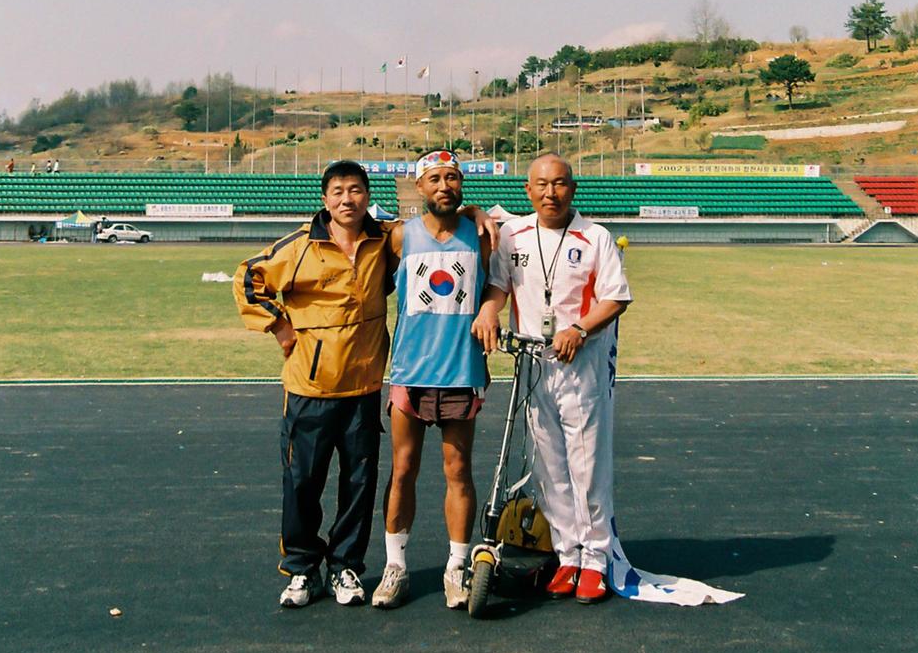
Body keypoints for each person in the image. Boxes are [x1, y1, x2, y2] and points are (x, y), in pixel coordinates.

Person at [475, 155, 742, 609]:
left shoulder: (596, 237)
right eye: (541, 184)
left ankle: (596, 560)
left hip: (581, 367)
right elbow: (498, 285)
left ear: (572, 189)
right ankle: (567, 555)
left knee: (587, 466)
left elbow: (615, 298)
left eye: (559, 184)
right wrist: (488, 310)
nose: (550, 193)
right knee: (549, 468)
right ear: (527, 189)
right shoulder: (514, 236)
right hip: (534, 365)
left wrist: (578, 329)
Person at [234, 159, 499, 611]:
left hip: (365, 386)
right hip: (312, 385)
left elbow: (458, 231)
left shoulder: (384, 238)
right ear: (325, 198)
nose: (346, 199)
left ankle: (347, 567)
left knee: (360, 484)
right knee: (305, 484)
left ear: (366, 195)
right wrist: (278, 326)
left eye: (355, 190)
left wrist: (474, 211)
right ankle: (302, 570)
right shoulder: (308, 244)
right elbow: (247, 278)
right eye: (337, 191)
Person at [371, 151, 490, 612]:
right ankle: (395, 565)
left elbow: (498, 282)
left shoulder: (482, 234)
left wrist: (491, 306)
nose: (445, 185)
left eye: (453, 178)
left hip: (462, 372)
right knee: (403, 470)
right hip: (409, 373)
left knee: (458, 473)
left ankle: (455, 568)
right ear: (419, 188)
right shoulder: (400, 237)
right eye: (435, 178)